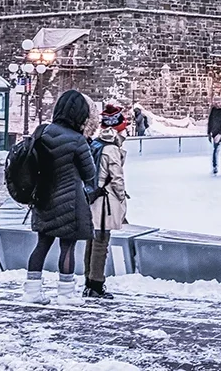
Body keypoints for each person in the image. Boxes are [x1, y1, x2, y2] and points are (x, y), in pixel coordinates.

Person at [24, 90, 98, 305]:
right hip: (70, 202)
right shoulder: (77, 140)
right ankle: (65, 295)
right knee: (67, 248)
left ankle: (32, 292)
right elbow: (89, 175)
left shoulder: (41, 131)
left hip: (43, 198)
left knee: (41, 245)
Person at [85, 104, 129, 299]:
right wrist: (121, 200)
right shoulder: (111, 149)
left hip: (93, 198)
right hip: (105, 203)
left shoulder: (96, 144)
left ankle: (89, 282)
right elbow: (117, 179)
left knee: (92, 240)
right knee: (101, 242)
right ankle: (96, 284)